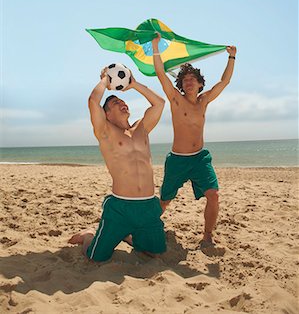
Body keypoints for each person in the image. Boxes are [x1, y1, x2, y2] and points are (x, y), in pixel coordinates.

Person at [68, 68, 166, 262]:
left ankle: (126, 234)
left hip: (148, 205)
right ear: (107, 114)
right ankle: (89, 234)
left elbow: (160, 103)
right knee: (96, 257)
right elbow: (93, 102)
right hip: (121, 207)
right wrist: (105, 80)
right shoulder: (105, 132)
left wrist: (134, 84)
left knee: (154, 254)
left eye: (122, 101)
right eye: (115, 103)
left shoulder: (141, 128)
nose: (122, 103)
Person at [152, 33, 237, 248]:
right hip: (178, 160)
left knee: (214, 195)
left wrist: (232, 57)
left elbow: (224, 81)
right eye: (185, 79)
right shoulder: (175, 99)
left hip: (200, 159)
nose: (189, 82)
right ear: (181, 84)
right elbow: (161, 73)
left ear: (200, 84)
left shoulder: (204, 101)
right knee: (164, 200)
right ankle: (144, 225)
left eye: (193, 79)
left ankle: (207, 236)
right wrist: (155, 48)